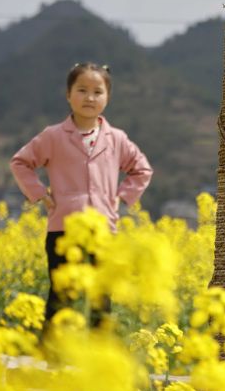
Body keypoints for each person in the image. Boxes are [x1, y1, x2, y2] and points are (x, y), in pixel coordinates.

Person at [9, 62, 153, 328]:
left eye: (98, 92)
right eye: (82, 90)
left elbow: (141, 169)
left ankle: (96, 362)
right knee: (61, 296)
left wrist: (120, 198)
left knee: (100, 298)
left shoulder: (117, 138)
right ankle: (53, 359)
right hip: (63, 228)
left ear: (108, 98)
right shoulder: (52, 136)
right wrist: (40, 194)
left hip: (103, 230)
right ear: (68, 95)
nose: (89, 97)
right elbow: (20, 162)